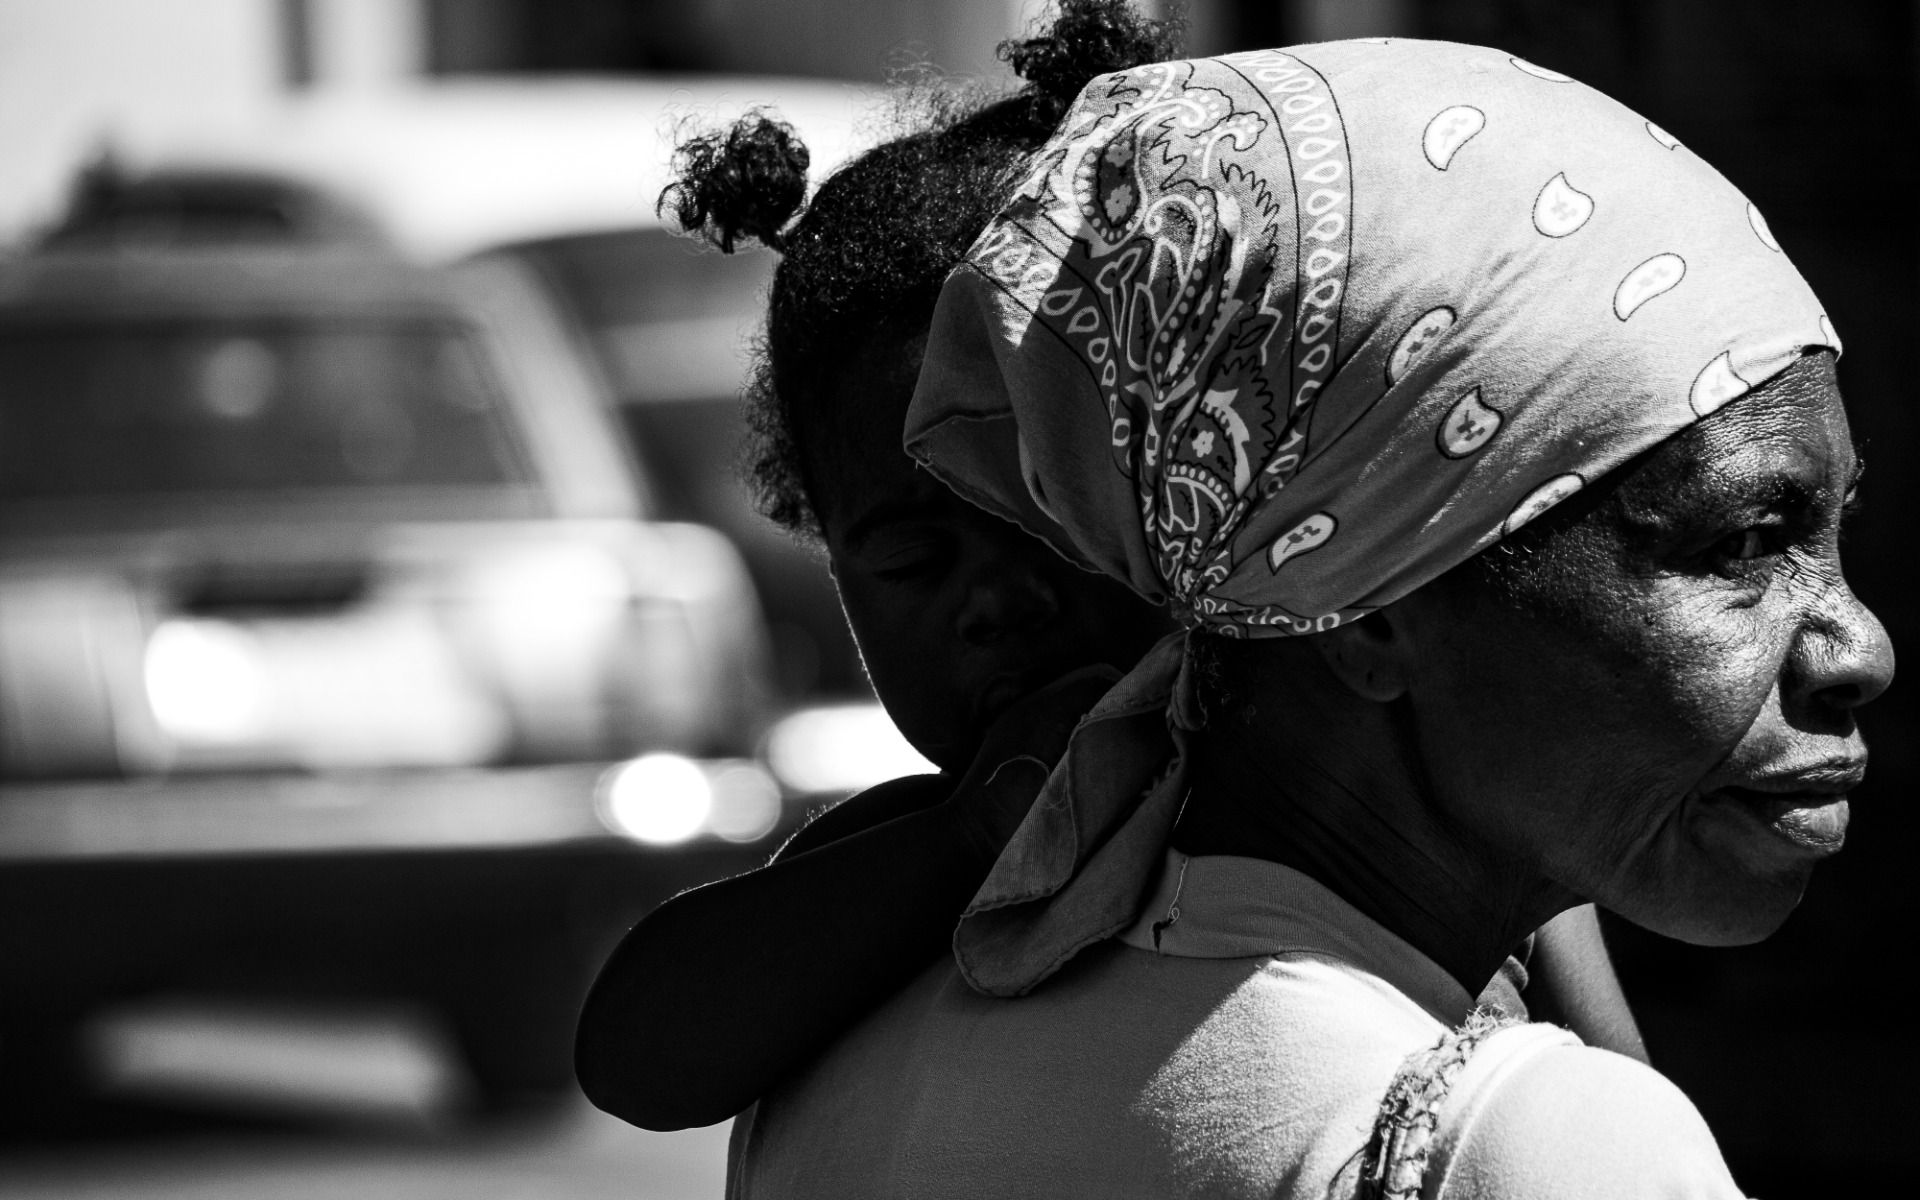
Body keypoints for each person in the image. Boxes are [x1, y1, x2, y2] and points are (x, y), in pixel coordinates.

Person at [723, 37, 1893, 1200]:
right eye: (1739, 543)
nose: (1864, 650)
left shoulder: (827, 1074)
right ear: (1368, 606)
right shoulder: (1526, 1142)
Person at [575, 6, 1645, 1140]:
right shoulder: (912, 865)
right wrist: (970, 842)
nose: (994, 602)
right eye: (911, 559)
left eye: (1045, 515)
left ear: (1202, 471)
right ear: (826, 547)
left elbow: (1627, 1119)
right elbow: (636, 1057)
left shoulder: (1412, 802)